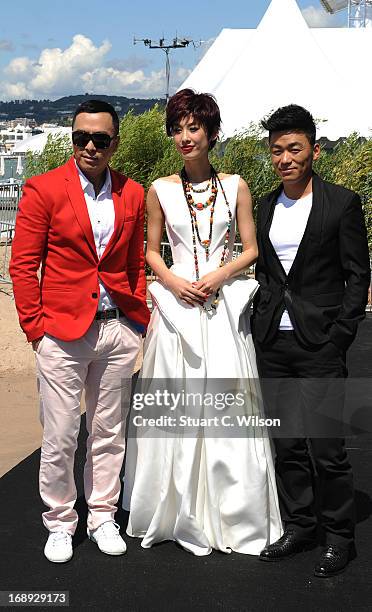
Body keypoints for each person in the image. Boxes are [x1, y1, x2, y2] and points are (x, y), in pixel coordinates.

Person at [123, 89, 282, 556]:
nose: (185, 137)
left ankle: (234, 514)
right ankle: (172, 511)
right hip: (176, 312)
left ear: (212, 133)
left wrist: (219, 274)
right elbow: (152, 251)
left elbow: (251, 248)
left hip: (219, 309)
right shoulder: (159, 189)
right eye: (178, 128)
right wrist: (173, 283)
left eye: (194, 127)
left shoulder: (236, 186)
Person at [10, 99, 150, 563]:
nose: (90, 146)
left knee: (109, 433)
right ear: (73, 139)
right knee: (61, 434)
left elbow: (132, 263)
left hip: (116, 331)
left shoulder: (131, 193)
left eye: (100, 139)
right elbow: (23, 265)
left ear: (115, 142)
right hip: (62, 335)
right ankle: (60, 521)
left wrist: (137, 321)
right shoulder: (43, 189)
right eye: (81, 138)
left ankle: (103, 515)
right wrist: (36, 329)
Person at [252, 104, 370, 577]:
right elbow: (266, 272)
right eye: (277, 150)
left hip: (321, 343)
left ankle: (340, 537)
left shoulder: (341, 203)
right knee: (286, 443)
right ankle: (300, 526)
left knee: (327, 446)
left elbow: (357, 274)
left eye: (294, 148)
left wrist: (340, 335)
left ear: (313, 151)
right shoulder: (264, 205)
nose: (285, 158)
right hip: (274, 346)